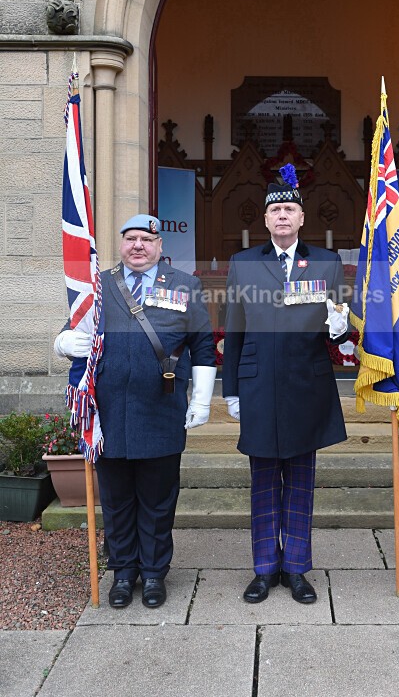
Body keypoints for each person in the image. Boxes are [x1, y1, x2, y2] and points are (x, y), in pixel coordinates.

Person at [54, 215, 216, 609]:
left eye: (147, 239)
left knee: (159, 500)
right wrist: (65, 344)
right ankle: (124, 572)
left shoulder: (185, 286)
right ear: (121, 244)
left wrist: (201, 400)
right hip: (108, 415)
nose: (138, 245)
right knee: (117, 500)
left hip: (161, 410)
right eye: (130, 238)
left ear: (160, 246)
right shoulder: (100, 286)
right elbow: (69, 330)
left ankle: (156, 573)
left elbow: (204, 347)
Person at [222, 167, 349, 604]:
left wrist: (338, 327)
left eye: (289, 209)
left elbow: (337, 326)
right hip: (258, 385)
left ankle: (295, 568)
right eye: (275, 209)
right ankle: (263, 569)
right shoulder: (243, 263)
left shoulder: (327, 263)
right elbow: (234, 329)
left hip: (305, 383)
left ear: (301, 218)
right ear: (265, 219)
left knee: (300, 480)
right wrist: (232, 389)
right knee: (261, 480)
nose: (282, 216)